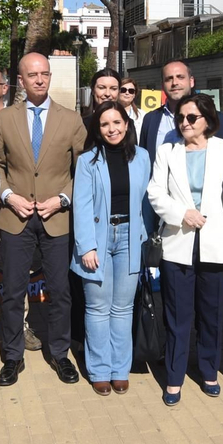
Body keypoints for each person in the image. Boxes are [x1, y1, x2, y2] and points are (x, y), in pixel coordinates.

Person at [0, 51, 87, 386]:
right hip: (15, 217)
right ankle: (12, 357)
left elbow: (84, 171)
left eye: (44, 74)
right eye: (32, 75)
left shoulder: (71, 119)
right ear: (20, 80)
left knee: (60, 291)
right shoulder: (4, 119)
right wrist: (8, 196)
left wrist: (63, 198)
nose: (39, 79)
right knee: (13, 292)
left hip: (57, 218)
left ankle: (60, 354)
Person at [147, 92, 223, 406]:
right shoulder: (167, 152)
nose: (185, 123)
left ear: (207, 121)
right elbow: (155, 192)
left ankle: (209, 371)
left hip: (217, 244)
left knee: (211, 314)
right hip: (178, 243)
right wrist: (180, 213)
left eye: (192, 118)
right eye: (180, 118)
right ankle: (174, 377)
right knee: (177, 315)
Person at [72, 101, 153, 395]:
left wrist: (147, 236)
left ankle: (120, 368)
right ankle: (99, 369)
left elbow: (147, 200)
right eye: (105, 124)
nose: (112, 129)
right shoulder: (88, 161)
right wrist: (87, 246)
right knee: (97, 307)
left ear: (127, 124)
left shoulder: (142, 157)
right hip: (97, 238)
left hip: (131, 237)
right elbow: (80, 205)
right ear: (98, 129)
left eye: (117, 122)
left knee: (123, 308)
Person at [140, 60, 223, 155]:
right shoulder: (150, 119)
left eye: (180, 77)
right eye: (169, 79)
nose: (174, 82)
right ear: (162, 85)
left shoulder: (215, 118)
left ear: (191, 81)